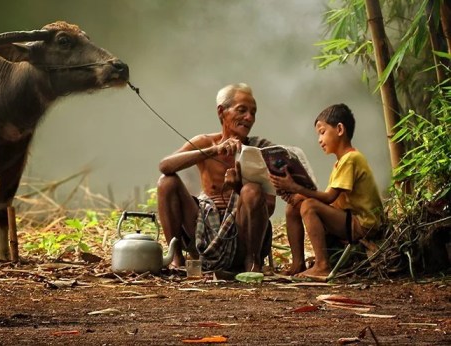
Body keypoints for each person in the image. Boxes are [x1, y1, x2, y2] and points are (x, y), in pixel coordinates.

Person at [156, 83, 275, 273]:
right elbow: (165, 166)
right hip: (202, 228)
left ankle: (252, 263)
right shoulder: (205, 142)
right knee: (166, 182)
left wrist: (239, 189)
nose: (249, 118)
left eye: (253, 112)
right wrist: (213, 151)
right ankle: (176, 259)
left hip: (241, 233)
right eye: (242, 110)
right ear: (222, 112)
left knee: (251, 190)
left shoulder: (261, 149)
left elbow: (269, 207)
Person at [270, 103, 384, 280]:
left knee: (309, 206)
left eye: (322, 132)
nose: (319, 140)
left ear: (339, 129)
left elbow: (329, 197)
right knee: (294, 207)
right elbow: (331, 200)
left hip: (363, 224)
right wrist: (294, 194)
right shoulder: (340, 162)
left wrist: (297, 188)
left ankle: (322, 265)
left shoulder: (351, 158)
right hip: (347, 219)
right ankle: (297, 263)